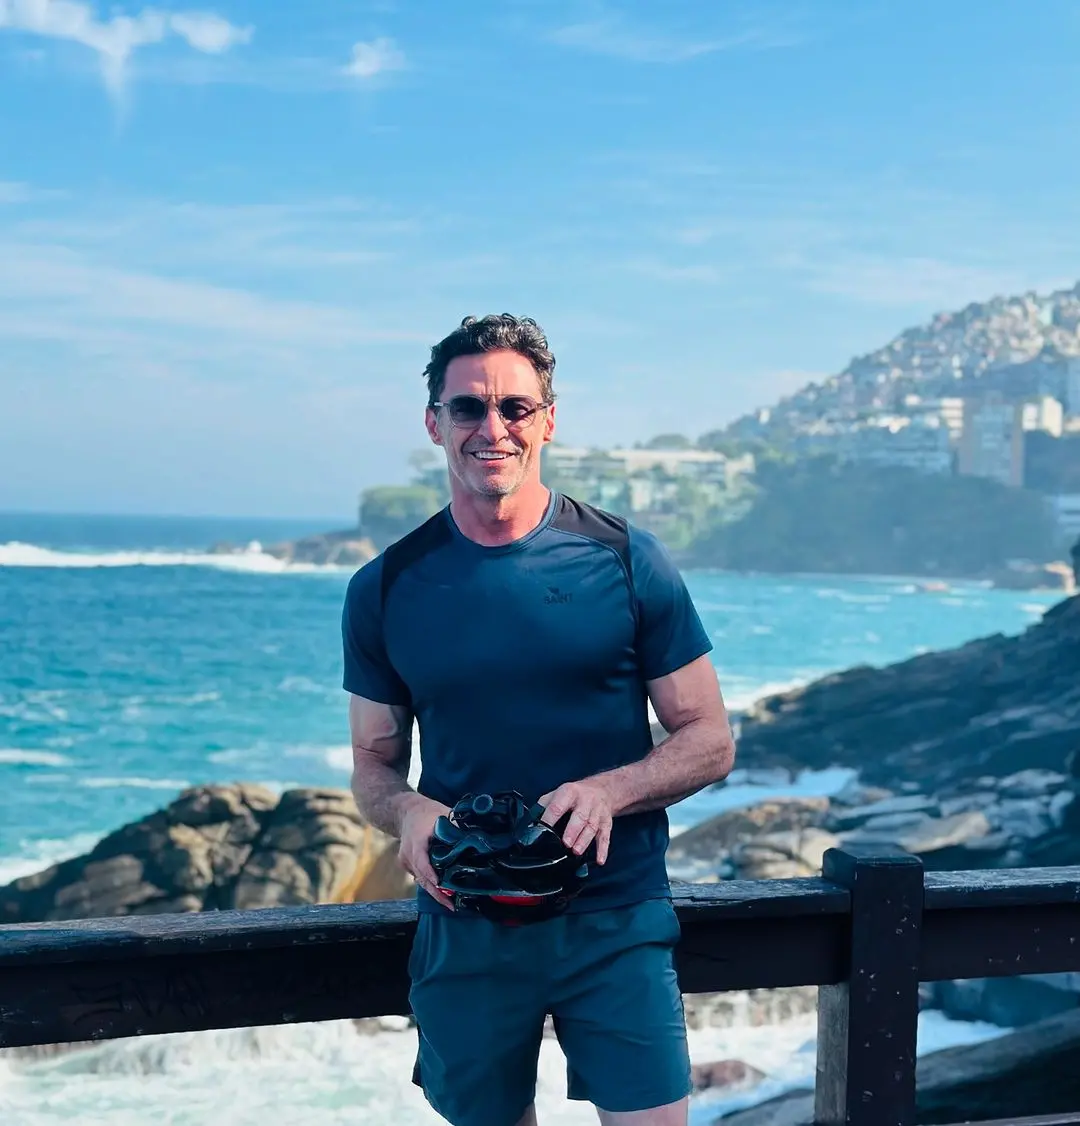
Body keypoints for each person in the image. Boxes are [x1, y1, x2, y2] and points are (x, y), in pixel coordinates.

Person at [342, 314, 736, 1126]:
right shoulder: (384, 588)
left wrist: (611, 791)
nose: (493, 428)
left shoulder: (627, 560)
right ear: (435, 424)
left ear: (547, 421)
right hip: (464, 924)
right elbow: (373, 765)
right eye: (468, 408)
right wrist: (407, 810)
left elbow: (709, 738)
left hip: (616, 918)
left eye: (515, 407)